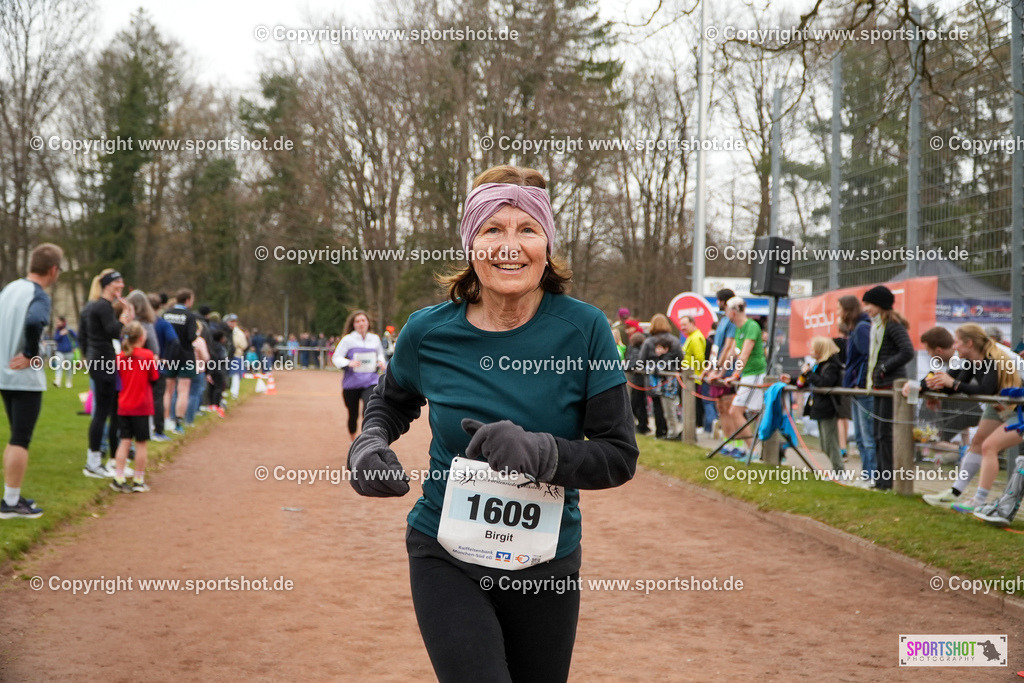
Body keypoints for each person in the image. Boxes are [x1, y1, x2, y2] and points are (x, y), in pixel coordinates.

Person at [346, 165, 638, 682]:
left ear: (546, 245)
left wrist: (541, 453)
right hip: (446, 554)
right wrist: (368, 444)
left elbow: (618, 455)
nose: (510, 245)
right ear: (470, 243)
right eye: (492, 229)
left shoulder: (585, 330)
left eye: (527, 229)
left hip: (546, 562)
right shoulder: (428, 332)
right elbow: (389, 403)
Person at [917, 325, 1023, 512]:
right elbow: (953, 384)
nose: (954, 345)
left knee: (990, 446)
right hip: (1004, 403)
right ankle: (954, 492)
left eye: (957, 341)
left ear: (969, 343)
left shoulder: (993, 357)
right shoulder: (971, 359)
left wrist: (952, 383)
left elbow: (984, 389)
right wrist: (929, 388)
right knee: (978, 442)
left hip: (1018, 406)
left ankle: (979, 501)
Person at [0, 244, 62, 518]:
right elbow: (36, 321)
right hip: (24, 377)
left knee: (15, 439)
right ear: (53, 270)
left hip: (4, 374)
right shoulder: (39, 295)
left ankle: (11, 496)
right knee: (20, 439)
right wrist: (30, 353)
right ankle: (11, 503)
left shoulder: (10, 289)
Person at [80, 269, 134, 477]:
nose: (121, 285)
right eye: (117, 282)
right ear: (108, 285)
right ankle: (93, 463)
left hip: (102, 361)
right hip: (102, 362)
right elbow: (114, 330)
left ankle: (111, 461)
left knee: (112, 411)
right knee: (102, 412)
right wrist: (126, 319)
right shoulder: (102, 306)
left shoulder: (99, 306)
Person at [862, 285, 914, 491]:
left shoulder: (893, 326)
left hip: (891, 385)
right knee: (878, 433)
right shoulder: (876, 326)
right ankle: (881, 480)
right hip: (879, 385)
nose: (866, 309)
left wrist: (885, 367)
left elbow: (907, 351)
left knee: (885, 434)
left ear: (881, 305)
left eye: (869, 304)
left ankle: (889, 481)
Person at [110, 322, 159, 493]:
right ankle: (138, 479)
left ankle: (119, 477)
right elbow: (154, 377)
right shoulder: (147, 356)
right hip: (141, 406)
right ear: (141, 338)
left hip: (124, 404)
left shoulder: (120, 357)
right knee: (141, 443)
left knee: (124, 442)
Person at [783, 337, 844, 471]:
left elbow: (824, 383)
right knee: (824, 444)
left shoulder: (831, 366)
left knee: (830, 443)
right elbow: (804, 383)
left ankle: (840, 470)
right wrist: (793, 379)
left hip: (828, 408)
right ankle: (837, 469)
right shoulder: (818, 366)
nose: (810, 351)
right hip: (818, 407)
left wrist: (809, 373)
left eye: (813, 348)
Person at [719, 296, 767, 456]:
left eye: (727, 311)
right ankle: (747, 448)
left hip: (754, 374)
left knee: (735, 411)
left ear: (733, 312)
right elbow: (732, 354)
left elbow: (745, 354)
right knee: (741, 412)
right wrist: (719, 372)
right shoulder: (739, 328)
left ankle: (753, 450)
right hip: (747, 374)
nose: (725, 314)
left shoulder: (751, 326)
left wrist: (735, 374)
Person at [838, 295, 876, 484]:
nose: (838, 313)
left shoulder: (862, 328)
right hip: (855, 387)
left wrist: (859, 382)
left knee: (868, 436)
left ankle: (873, 476)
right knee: (860, 437)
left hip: (862, 387)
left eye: (840, 309)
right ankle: (866, 473)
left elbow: (868, 358)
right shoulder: (855, 329)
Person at [332, 310, 386, 441]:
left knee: (369, 410)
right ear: (353, 324)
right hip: (352, 383)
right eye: (357, 321)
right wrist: (349, 363)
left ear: (368, 322)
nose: (361, 323)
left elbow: (380, 355)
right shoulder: (348, 340)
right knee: (353, 414)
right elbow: (336, 357)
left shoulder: (375, 339)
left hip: (370, 381)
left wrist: (381, 362)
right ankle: (353, 440)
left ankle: (366, 441)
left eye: (363, 320)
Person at [639, 314, 683, 439]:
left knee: (657, 406)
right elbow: (680, 358)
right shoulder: (674, 340)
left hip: (654, 380)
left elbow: (641, 360)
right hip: (670, 379)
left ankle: (660, 431)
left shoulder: (648, 341)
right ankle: (670, 431)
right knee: (669, 406)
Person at [163, 289, 198, 434]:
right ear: (188, 300)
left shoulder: (166, 314)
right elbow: (191, 337)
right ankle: (178, 422)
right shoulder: (190, 316)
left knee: (168, 390)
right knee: (183, 390)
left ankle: (165, 421)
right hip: (185, 356)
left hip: (169, 356)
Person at [679, 315, 706, 433]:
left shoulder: (695, 338)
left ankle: (698, 426)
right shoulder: (691, 337)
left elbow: (700, 358)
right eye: (681, 325)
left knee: (696, 404)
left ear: (692, 323)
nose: (682, 327)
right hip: (688, 376)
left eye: (685, 324)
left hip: (693, 377)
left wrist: (700, 373)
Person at [625, 331, 649, 434]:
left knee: (635, 404)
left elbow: (633, 364)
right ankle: (643, 425)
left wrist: (625, 367)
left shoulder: (635, 350)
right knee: (642, 404)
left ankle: (640, 425)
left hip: (638, 382)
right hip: (642, 381)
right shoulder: (643, 349)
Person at [224, 314, 248, 399]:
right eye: (231, 321)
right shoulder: (225, 331)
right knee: (225, 374)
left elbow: (244, 345)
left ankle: (234, 392)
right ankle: (224, 391)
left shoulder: (239, 333)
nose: (232, 323)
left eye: (234, 322)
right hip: (226, 356)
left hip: (236, 355)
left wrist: (236, 344)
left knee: (236, 375)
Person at [52, 316, 77, 388]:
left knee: (68, 368)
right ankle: (58, 381)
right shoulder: (57, 330)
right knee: (58, 366)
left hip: (69, 351)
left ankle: (68, 382)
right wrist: (61, 334)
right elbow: (56, 339)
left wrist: (74, 347)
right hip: (60, 351)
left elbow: (76, 338)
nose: (57, 323)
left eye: (58, 322)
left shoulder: (69, 330)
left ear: (63, 322)